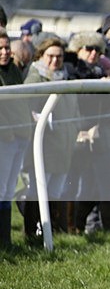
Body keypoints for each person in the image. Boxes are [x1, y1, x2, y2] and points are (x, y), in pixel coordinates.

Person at [63, 32, 110, 234]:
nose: (94, 53)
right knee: (73, 186)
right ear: (78, 50)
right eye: (88, 49)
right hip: (77, 135)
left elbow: (108, 104)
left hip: (99, 136)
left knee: (104, 187)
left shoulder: (100, 72)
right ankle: (70, 227)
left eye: (97, 49)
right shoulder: (70, 71)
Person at [23, 37, 80, 241]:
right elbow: (27, 108)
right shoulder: (35, 78)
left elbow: (75, 112)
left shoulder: (65, 78)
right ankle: (34, 231)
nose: (55, 61)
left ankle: (54, 232)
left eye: (59, 56)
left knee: (57, 190)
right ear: (41, 56)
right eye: (51, 56)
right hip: (43, 145)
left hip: (63, 145)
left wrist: (74, 130)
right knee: (39, 189)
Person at [0, 30, 32, 247]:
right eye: (0, 49)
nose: (4, 52)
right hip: (5, 137)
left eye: (6, 48)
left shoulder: (14, 70)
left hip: (20, 135)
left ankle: (6, 241)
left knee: (9, 191)